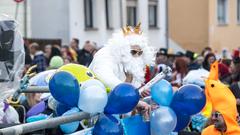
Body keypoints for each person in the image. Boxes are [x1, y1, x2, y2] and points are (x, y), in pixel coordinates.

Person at [89, 23, 154, 111]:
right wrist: (132, 97)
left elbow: (126, 88)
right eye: (134, 52)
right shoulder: (105, 54)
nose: (137, 56)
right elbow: (105, 78)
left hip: (111, 110)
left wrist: (138, 91)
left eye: (140, 53)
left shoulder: (130, 64)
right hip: (92, 107)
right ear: (123, 49)